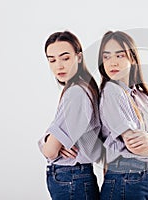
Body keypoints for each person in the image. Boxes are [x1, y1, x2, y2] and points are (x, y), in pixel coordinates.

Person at [98, 30, 148, 200]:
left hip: (145, 179)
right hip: (125, 178)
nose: (112, 63)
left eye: (119, 56)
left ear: (132, 59)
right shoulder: (112, 91)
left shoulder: (142, 97)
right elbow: (134, 145)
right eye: (106, 57)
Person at [38, 31, 102, 200]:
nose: (58, 65)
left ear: (78, 57)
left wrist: (49, 143)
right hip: (75, 176)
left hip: (71, 177)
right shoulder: (82, 88)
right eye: (52, 60)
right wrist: (51, 142)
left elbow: (50, 151)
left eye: (65, 58)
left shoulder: (76, 93)